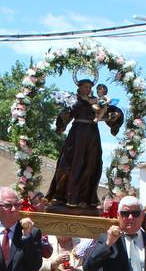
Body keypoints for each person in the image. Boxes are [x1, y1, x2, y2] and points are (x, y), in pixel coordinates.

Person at [45, 79, 123, 210]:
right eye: (86, 86)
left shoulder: (97, 100)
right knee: (67, 165)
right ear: (79, 87)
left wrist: (115, 116)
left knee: (90, 166)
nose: (88, 89)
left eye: (90, 87)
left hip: (92, 136)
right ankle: (62, 196)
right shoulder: (73, 100)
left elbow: (109, 112)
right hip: (76, 136)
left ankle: (84, 198)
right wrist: (62, 121)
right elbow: (66, 115)